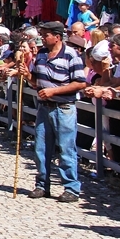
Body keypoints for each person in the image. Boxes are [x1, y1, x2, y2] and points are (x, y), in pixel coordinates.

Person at [17, 21, 86, 203]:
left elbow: (80, 83)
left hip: (63, 108)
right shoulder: (41, 55)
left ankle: (71, 187)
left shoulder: (71, 55)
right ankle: (42, 185)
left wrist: (54, 91)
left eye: (46, 35)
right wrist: (28, 75)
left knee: (66, 148)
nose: (43, 38)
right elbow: (36, 82)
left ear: (57, 36)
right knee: (41, 149)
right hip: (44, 107)